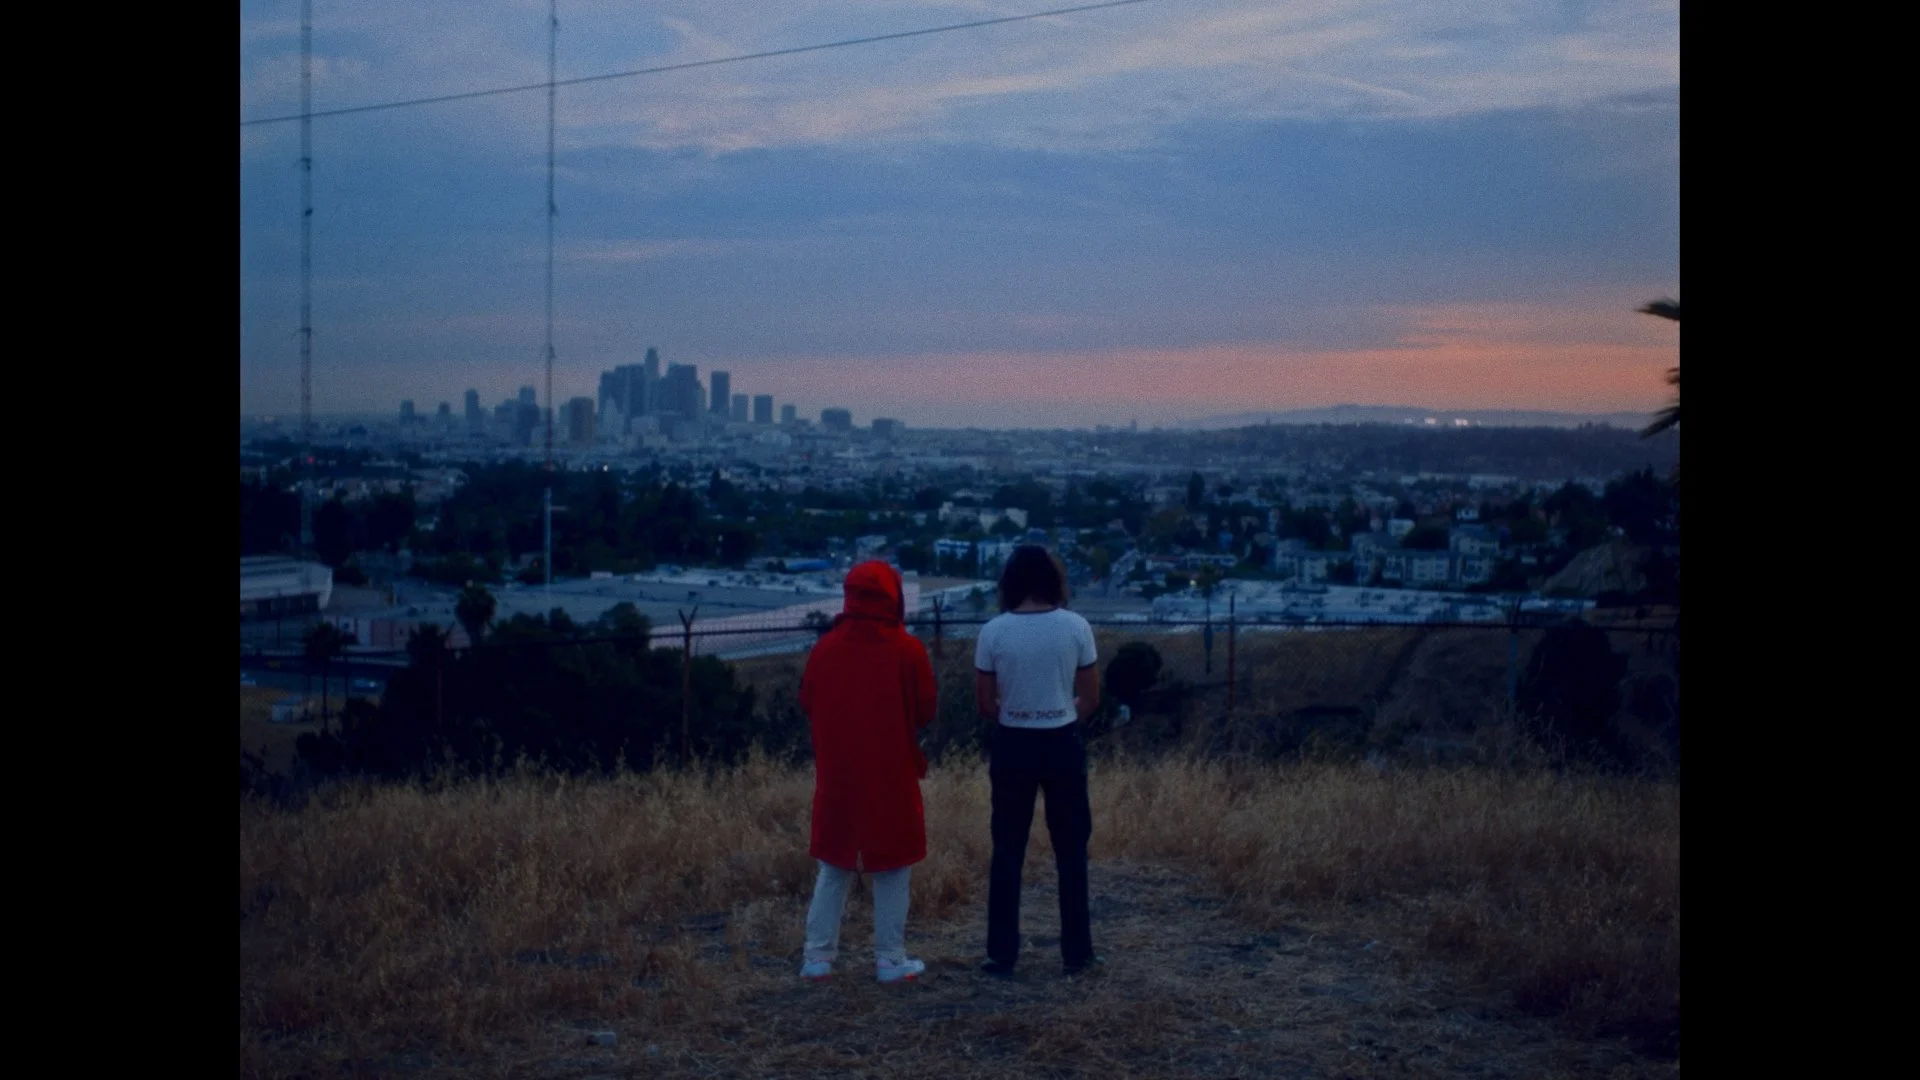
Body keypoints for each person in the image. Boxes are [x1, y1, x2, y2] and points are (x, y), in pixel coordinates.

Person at [797, 561, 937, 984]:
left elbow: (807, 701)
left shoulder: (825, 649)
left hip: (838, 771)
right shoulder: (907, 649)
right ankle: (890, 960)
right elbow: (925, 711)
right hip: (891, 771)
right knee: (893, 865)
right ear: (893, 596)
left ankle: (817, 958)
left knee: (834, 863)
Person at [974, 544, 1102, 976]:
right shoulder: (1076, 627)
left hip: (1013, 743)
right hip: (1062, 741)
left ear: (1010, 582)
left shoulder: (993, 632)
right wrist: (1060, 715)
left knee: (1008, 848)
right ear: (1054, 580)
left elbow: (985, 703)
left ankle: (1000, 954)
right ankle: (1078, 954)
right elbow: (1090, 696)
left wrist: (1019, 715)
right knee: (1071, 849)